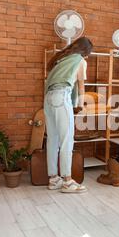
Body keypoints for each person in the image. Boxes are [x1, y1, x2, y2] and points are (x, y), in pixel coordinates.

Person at [44, 37, 93, 193]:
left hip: (48, 99)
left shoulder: (62, 58)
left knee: (53, 139)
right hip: (61, 97)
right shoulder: (80, 60)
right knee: (67, 140)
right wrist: (81, 105)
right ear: (86, 52)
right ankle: (67, 181)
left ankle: (53, 179)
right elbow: (81, 85)